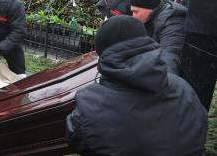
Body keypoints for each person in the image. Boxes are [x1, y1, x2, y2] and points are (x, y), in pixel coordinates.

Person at [66, 15, 207, 156]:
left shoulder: (90, 102)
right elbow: (199, 129)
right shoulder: (183, 88)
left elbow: (76, 140)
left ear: (102, 51)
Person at [130, 0, 186, 74]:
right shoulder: (149, 18)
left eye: (136, 12)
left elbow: (170, 54)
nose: (133, 16)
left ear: (150, 9)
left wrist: (163, 82)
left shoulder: (172, 21)